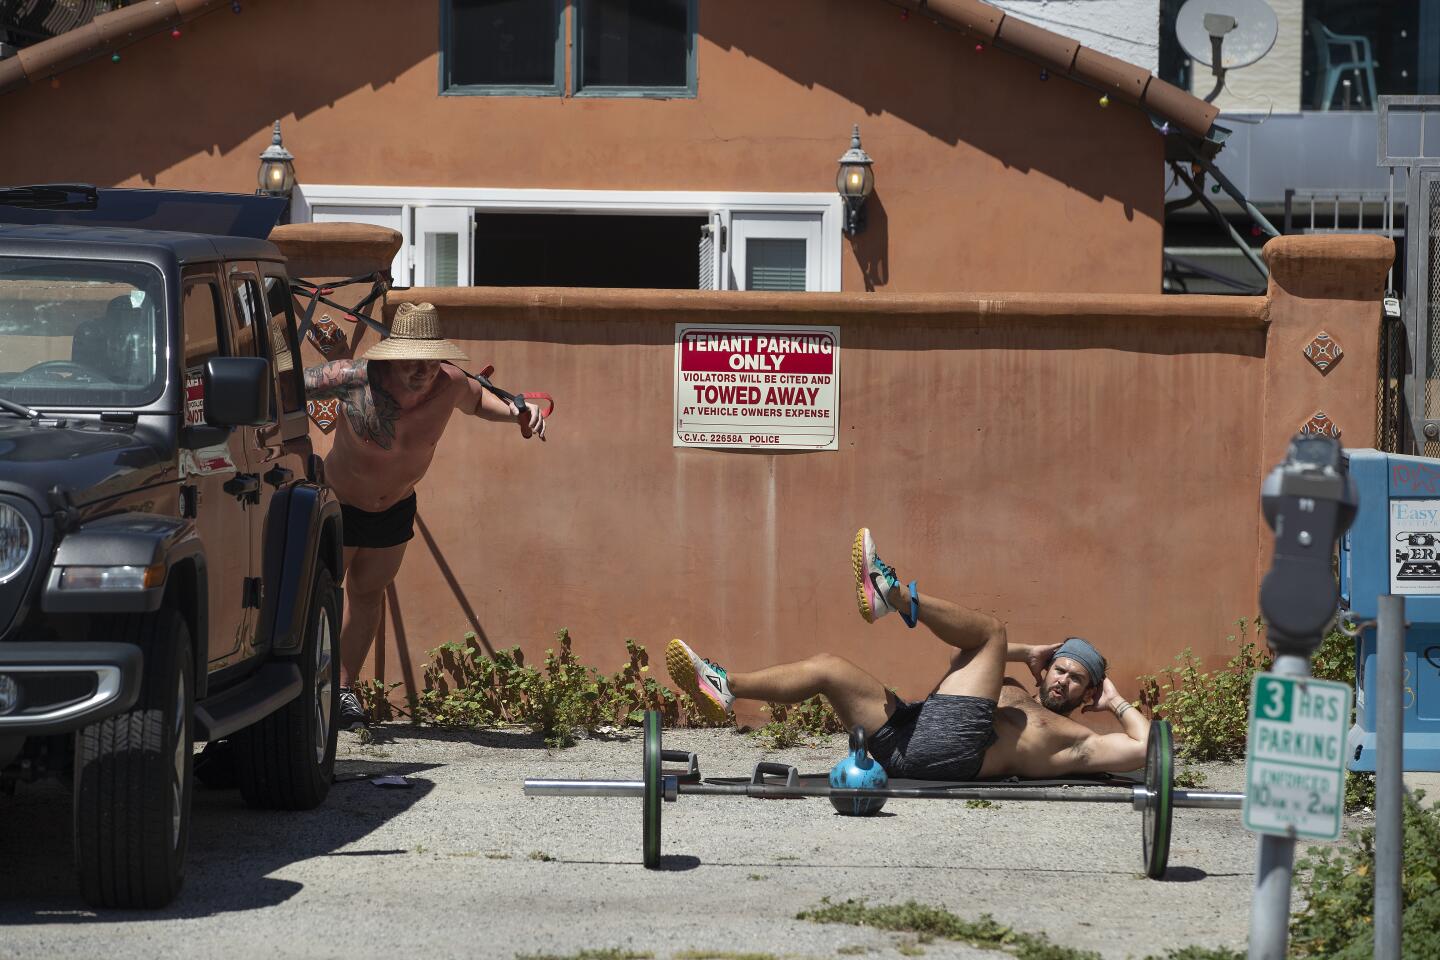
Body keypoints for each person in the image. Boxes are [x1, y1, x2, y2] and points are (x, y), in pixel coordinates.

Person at [666, 527, 1148, 780]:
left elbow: (1148, 749)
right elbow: (962, 662)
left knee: (991, 631)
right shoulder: (1008, 688)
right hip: (909, 737)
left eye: (1076, 678)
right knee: (829, 667)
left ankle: (893, 596)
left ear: (1088, 694)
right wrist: (1022, 655)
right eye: (1059, 668)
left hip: (950, 754)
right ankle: (726, 685)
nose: (1061, 679)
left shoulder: (1075, 739)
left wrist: (1115, 702)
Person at [304, 301, 546, 727]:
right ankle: (302, 691)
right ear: (391, 357)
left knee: (366, 597)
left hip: (394, 509)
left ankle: (341, 690)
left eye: (431, 360)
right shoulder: (350, 379)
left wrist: (518, 413)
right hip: (337, 505)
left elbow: (481, 402)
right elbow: (280, 391)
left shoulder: (451, 385)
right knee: (318, 595)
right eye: (411, 361)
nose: (422, 370)